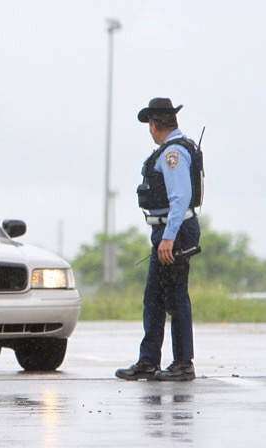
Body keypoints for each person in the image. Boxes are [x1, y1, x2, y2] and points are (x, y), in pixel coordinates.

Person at [115, 98, 203, 382]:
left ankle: (182, 364)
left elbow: (180, 199)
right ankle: (148, 361)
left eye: (149, 125)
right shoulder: (173, 149)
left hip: (173, 232)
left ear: (155, 125)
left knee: (176, 298)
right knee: (153, 299)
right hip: (167, 232)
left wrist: (168, 238)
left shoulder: (172, 154)